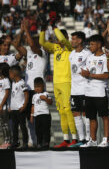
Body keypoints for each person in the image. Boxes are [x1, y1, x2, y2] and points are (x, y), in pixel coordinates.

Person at [39, 20, 78, 148]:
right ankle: (66, 139)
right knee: (61, 111)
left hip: (67, 82)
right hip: (56, 83)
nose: (57, 40)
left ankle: (75, 138)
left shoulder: (69, 47)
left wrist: (54, 26)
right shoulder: (55, 47)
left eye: (59, 37)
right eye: (56, 38)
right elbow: (42, 43)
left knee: (68, 110)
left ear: (66, 38)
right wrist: (43, 29)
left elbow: (62, 39)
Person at [14, 19, 47, 147]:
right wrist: (22, 30)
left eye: (34, 40)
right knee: (29, 118)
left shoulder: (42, 53)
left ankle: (42, 142)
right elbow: (16, 44)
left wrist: (27, 29)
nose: (30, 41)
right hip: (28, 89)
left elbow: (32, 45)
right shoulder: (29, 53)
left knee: (39, 117)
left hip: (38, 89)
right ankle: (31, 142)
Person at [80, 35, 109, 147]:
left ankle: (106, 140)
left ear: (99, 44)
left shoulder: (105, 58)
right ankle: (93, 140)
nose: (90, 46)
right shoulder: (89, 57)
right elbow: (88, 72)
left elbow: (106, 75)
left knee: (104, 116)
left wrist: (90, 75)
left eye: (92, 44)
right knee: (91, 117)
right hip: (88, 91)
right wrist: (84, 73)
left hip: (100, 91)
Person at [69, 31, 91, 147]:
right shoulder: (71, 54)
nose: (71, 41)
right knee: (76, 113)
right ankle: (81, 139)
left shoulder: (87, 54)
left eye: (74, 39)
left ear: (80, 40)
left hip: (84, 89)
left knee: (86, 114)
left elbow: (89, 70)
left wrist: (86, 73)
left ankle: (88, 139)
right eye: (71, 39)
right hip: (74, 90)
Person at [9, 65, 29, 149]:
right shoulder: (13, 83)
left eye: (10, 73)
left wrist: (24, 105)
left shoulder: (22, 83)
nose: (9, 75)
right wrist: (10, 106)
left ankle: (25, 142)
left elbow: (26, 94)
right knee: (14, 126)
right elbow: (13, 96)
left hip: (20, 108)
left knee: (22, 126)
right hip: (13, 109)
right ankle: (15, 141)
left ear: (13, 74)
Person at [30, 77, 52, 149]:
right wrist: (31, 115)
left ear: (43, 86)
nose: (37, 88)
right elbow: (33, 106)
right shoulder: (34, 96)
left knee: (46, 129)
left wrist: (45, 98)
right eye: (35, 87)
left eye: (39, 87)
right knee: (38, 130)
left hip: (45, 114)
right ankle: (39, 143)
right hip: (37, 115)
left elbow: (50, 102)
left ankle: (46, 142)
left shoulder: (46, 93)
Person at [0, 63, 10, 149]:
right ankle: (5, 141)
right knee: (2, 124)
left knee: (5, 124)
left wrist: (1, 105)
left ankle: (8, 141)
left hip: (3, 106)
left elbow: (7, 93)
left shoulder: (6, 80)